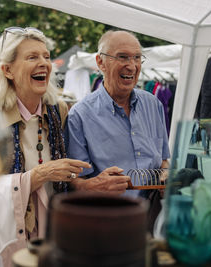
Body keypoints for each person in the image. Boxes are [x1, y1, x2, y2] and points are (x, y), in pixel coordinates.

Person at [0, 27, 90, 267]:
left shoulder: (60, 111)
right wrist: (36, 177)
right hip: (15, 234)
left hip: (56, 231)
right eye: (32, 57)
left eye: (46, 56)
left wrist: (87, 182)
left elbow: (65, 175)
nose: (44, 63)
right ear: (7, 70)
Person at [66, 31, 170, 224]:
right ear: (100, 62)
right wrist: (94, 185)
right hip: (108, 223)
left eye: (137, 58)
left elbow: (163, 161)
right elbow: (72, 181)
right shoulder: (79, 116)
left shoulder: (153, 105)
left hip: (154, 220)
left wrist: (165, 175)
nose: (131, 66)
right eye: (122, 57)